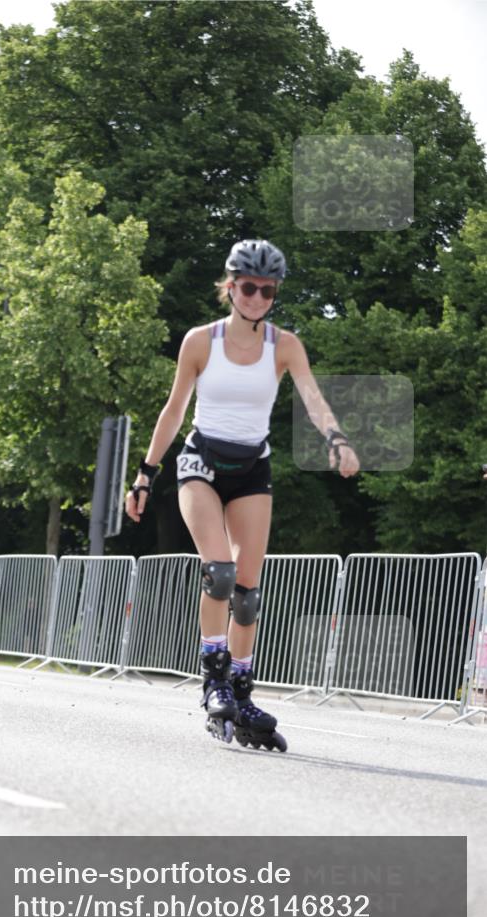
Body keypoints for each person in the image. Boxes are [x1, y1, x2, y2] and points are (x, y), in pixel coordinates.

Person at [125, 239, 360, 750]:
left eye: (267, 290)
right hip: (201, 463)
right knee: (220, 573)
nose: (256, 297)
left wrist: (337, 440)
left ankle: (241, 688)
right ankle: (213, 678)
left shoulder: (285, 345)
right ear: (230, 287)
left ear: (275, 293)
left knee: (248, 594)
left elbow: (314, 401)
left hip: (252, 467)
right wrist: (145, 474)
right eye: (248, 287)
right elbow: (173, 410)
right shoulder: (200, 342)